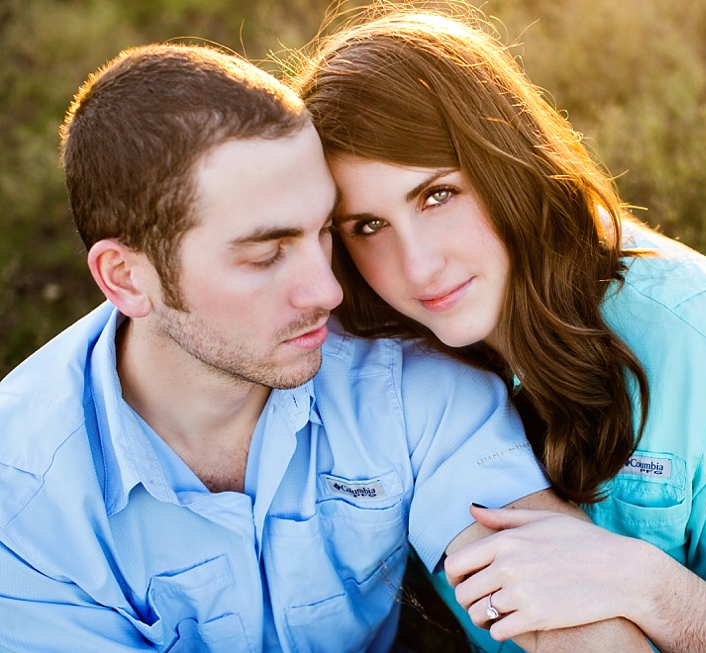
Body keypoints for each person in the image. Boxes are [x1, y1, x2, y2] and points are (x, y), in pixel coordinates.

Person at [295, 8, 706, 653]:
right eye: (367, 225)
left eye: (438, 195)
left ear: (505, 160)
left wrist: (643, 584)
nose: (418, 266)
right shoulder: (375, 356)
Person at [0, 43, 649, 653]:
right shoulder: (21, 493)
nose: (327, 290)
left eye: (325, 233)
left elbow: (572, 613)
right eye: (264, 255)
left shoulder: (402, 381)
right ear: (126, 277)